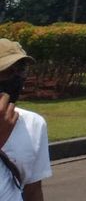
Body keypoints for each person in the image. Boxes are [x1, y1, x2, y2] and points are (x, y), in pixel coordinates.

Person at [0, 39, 50, 201]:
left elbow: (33, 190)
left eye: (21, 69)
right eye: (6, 71)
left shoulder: (34, 124)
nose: (15, 78)